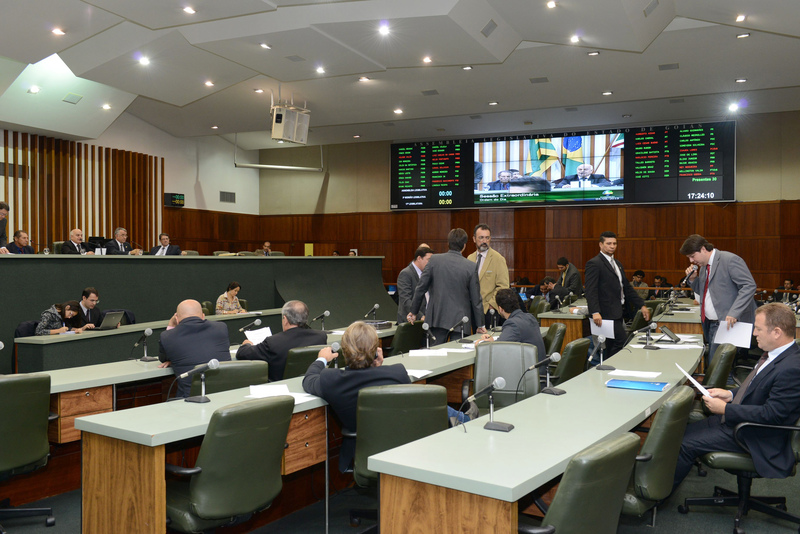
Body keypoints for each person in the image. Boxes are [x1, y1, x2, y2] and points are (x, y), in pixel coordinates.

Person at [302, 321, 476, 470]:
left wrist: (321, 359)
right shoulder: (396, 373)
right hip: (403, 451)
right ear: (376, 351)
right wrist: (377, 366)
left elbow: (308, 380)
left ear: (344, 351)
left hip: (360, 455)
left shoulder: (331, 379)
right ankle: (464, 418)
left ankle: (463, 417)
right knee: (426, 404)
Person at [673, 303, 800, 491]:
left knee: (684, 444)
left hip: (757, 435)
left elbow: (772, 414)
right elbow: (759, 387)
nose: (754, 333)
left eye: (758, 329)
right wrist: (730, 394)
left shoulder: (792, 368)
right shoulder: (776, 354)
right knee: (678, 434)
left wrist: (726, 409)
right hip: (740, 420)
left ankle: (658, 497)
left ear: (777, 332)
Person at [680, 234, 756, 366]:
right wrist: (693, 280)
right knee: (718, 365)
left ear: (703, 249)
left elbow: (749, 286)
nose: (691, 261)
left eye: (692, 256)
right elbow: (704, 292)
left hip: (729, 323)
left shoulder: (729, 260)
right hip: (711, 323)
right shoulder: (704, 267)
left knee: (717, 366)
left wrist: (734, 312)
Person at [407, 228, 485, 344]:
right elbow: (476, 299)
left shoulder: (434, 260)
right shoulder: (471, 266)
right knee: (458, 354)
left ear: (448, 243)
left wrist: (413, 312)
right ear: (464, 246)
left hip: (437, 318)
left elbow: (421, 288)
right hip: (460, 321)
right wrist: (480, 325)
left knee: (436, 353)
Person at [584, 231, 650, 356]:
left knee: (612, 345)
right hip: (604, 313)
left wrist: (641, 305)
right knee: (620, 342)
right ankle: (611, 365)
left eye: (614, 243)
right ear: (601, 245)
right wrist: (595, 311)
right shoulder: (594, 263)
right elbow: (590, 290)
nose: (612, 246)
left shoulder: (617, 264)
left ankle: (610, 366)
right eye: (609, 243)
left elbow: (627, 287)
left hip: (618, 311)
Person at [236, 300, 327, 382]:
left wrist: (246, 345)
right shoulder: (321, 337)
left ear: (285, 319)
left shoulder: (273, 342)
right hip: (310, 383)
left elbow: (242, 354)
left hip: (280, 387)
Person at [158, 299, 232, 397]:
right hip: (225, 395)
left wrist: (171, 326)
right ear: (203, 316)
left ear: (176, 318)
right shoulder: (221, 328)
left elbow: (163, 358)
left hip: (190, 399)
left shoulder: (167, 336)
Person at [476, 289, 547, 361]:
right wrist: (492, 341)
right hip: (538, 364)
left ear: (500, 309)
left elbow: (497, 348)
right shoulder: (529, 317)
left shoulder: (512, 323)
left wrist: (481, 343)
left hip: (528, 367)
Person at [467, 224, 510, 328]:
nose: (484, 241)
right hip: (471, 310)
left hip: (489, 311)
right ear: (474, 239)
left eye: (487, 238)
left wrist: (492, 304)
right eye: (481, 238)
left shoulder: (498, 259)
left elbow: (503, 286)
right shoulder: (470, 258)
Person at [396, 246, 433, 324]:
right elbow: (405, 300)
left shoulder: (427, 274)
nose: (430, 263)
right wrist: (420, 316)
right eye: (428, 260)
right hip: (411, 321)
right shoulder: (406, 273)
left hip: (426, 319)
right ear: (419, 258)